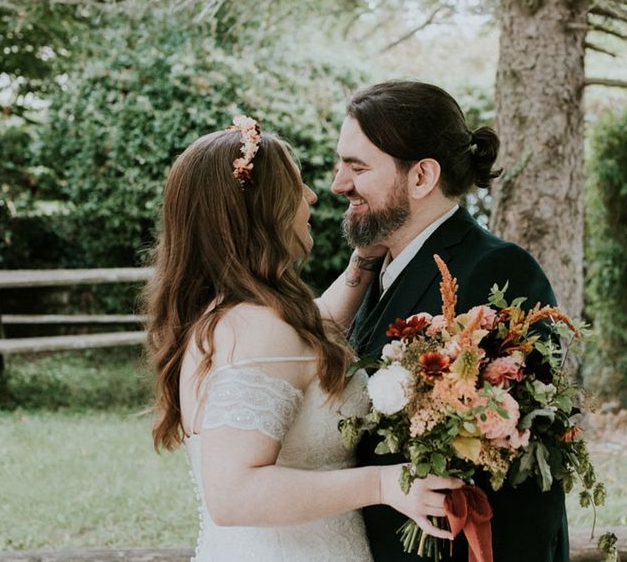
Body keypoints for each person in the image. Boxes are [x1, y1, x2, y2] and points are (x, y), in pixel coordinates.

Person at [144, 117, 462, 562]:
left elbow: (312, 335)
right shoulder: (255, 328)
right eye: (296, 186)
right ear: (262, 210)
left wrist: (364, 260)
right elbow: (233, 494)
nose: (312, 196)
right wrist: (382, 484)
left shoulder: (243, 316)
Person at [331, 81, 569, 562]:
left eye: (357, 167)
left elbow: (524, 477)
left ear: (421, 177)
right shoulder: (378, 268)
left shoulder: (500, 272)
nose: (338, 183)